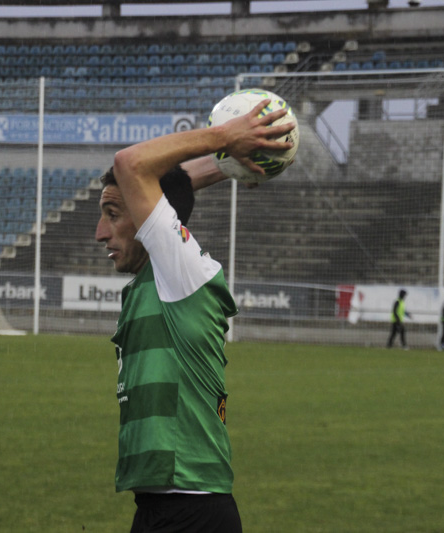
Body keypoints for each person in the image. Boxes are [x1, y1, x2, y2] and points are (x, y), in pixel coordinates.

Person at [94, 98, 294, 533]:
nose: (100, 233)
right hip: (162, 506)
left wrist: (225, 136)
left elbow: (130, 163)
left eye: (112, 215)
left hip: (191, 509)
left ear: (151, 219)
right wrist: (227, 163)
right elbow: (171, 189)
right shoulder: (157, 277)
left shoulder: (179, 272)